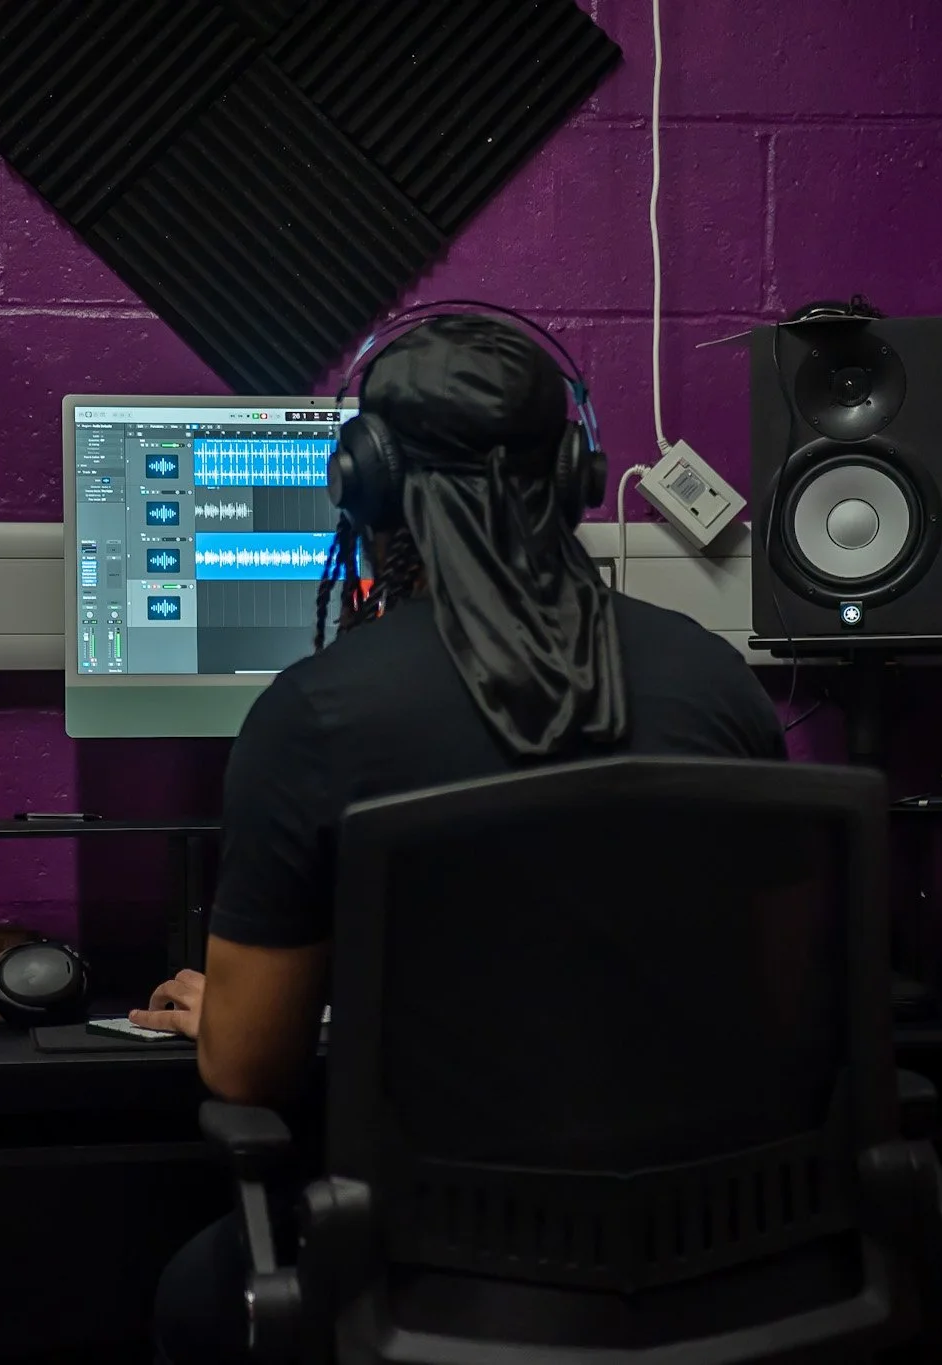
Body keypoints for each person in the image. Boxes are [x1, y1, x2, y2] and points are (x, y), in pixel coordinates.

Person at [137, 312, 786, 1365]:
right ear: (576, 474)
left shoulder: (316, 717)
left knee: (192, 1291)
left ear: (366, 484)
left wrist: (236, 1017)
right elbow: (781, 1008)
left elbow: (246, 1076)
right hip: (720, 1252)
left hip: (434, 1279)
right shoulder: (714, 682)